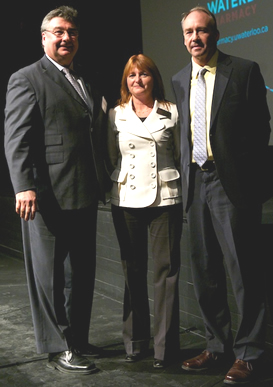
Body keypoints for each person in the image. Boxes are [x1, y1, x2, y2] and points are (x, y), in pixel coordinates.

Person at [4, 5, 109, 375]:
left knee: (81, 274)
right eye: (59, 31)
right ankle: (57, 347)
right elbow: (16, 138)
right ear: (45, 37)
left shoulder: (84, 79)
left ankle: (76, 339)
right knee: (49, 277)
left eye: (73, 32)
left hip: (84, 192)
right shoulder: (27, 78)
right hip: (45, 197)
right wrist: (24, 186)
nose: (67, 37)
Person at [172, 6, 271, 385]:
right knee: (205, 272)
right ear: (183, 38)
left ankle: (249, 353)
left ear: (216, 34)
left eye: (201, 30)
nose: (194, 38)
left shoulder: (243, 70)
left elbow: (260, 128)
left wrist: (248, 179)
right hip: (195, 184)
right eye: (188, 32)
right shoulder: (180, 78)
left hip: (231, 186)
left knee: (243, 272)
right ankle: (216, 346)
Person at [107, 54, 183, 369]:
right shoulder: (115, 114)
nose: (137, 80)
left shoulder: (172, 112)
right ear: (126, 81)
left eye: (144, 75)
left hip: (165, 198)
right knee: (132, 271)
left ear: (154, 78)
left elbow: (179, 153)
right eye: (132, 76)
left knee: (166, 275)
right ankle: (136, 342)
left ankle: (165, 349)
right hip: (126, 198)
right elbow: (112, 156)